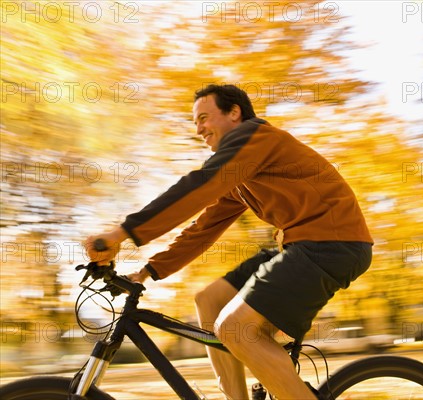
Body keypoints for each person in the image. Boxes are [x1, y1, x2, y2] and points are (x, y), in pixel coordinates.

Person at [84, 84, 373, 399]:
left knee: (238, 329)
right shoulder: (243, 173)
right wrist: (148, 271)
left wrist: (121, 233)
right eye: (195, 122)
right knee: (209, 300)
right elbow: (204, 227)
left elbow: (200, 185)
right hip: (302, 245)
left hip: (331, 244)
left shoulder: (255, 137)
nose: (199, 129)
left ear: (234, 113)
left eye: (204, 118)